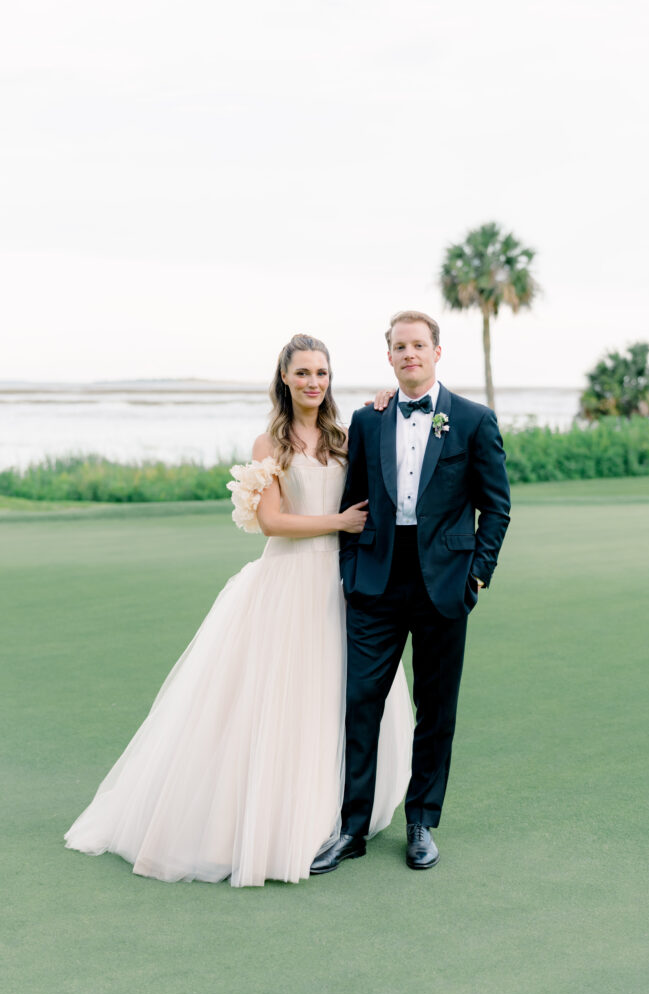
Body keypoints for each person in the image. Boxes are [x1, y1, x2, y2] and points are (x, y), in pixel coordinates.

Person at [65, 334, 414, 887]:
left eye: (321, 373)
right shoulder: (267, 445)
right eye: (302, 373)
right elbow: (273, 522)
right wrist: (340, 523)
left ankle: (334, 816)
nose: (313, 383)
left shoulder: (346, 437)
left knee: (335, 696)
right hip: (288, 579)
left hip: (343, 586)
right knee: (278, 698)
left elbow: (395, 452)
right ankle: (270, 819)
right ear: (284, 379)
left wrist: (386, 402)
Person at [311, 311, 511, 875]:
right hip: (375, 580)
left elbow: (496, 506)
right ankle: (351, 829)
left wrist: (477, 573)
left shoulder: (473, 420)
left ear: (437, 353)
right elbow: (353, 500)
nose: (409, 354)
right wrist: (352, 568)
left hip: (445, 583)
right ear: (390, 356)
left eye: (418, 345)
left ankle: (421, 823)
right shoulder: (367, 419)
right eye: (399, 347)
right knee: (360, 705)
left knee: (436, 708)